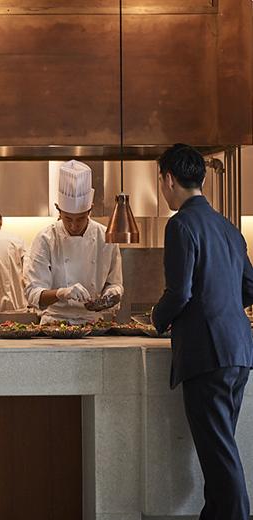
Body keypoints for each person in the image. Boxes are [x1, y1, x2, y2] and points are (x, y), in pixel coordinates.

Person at [151, 143, 253, 520]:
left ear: (168, 179)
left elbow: (180, 293)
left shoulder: (180, 224)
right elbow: (250, 287)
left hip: (207, 355)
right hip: (239, 352)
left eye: (161, 181)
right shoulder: (228, 227)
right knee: (218, 453)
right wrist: (222, 303)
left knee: (220, 457)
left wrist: (156, 319)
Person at [24, 160, 123, 324]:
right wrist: (61, 293)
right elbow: (33, 294)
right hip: (54, 323)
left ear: (90, 209)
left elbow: (115, 284)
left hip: (93, 323)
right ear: (58, 209)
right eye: (68, 218)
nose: (74, 225)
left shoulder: (106, 237)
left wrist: (111, 294)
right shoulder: (45, 239)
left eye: (81, 218)